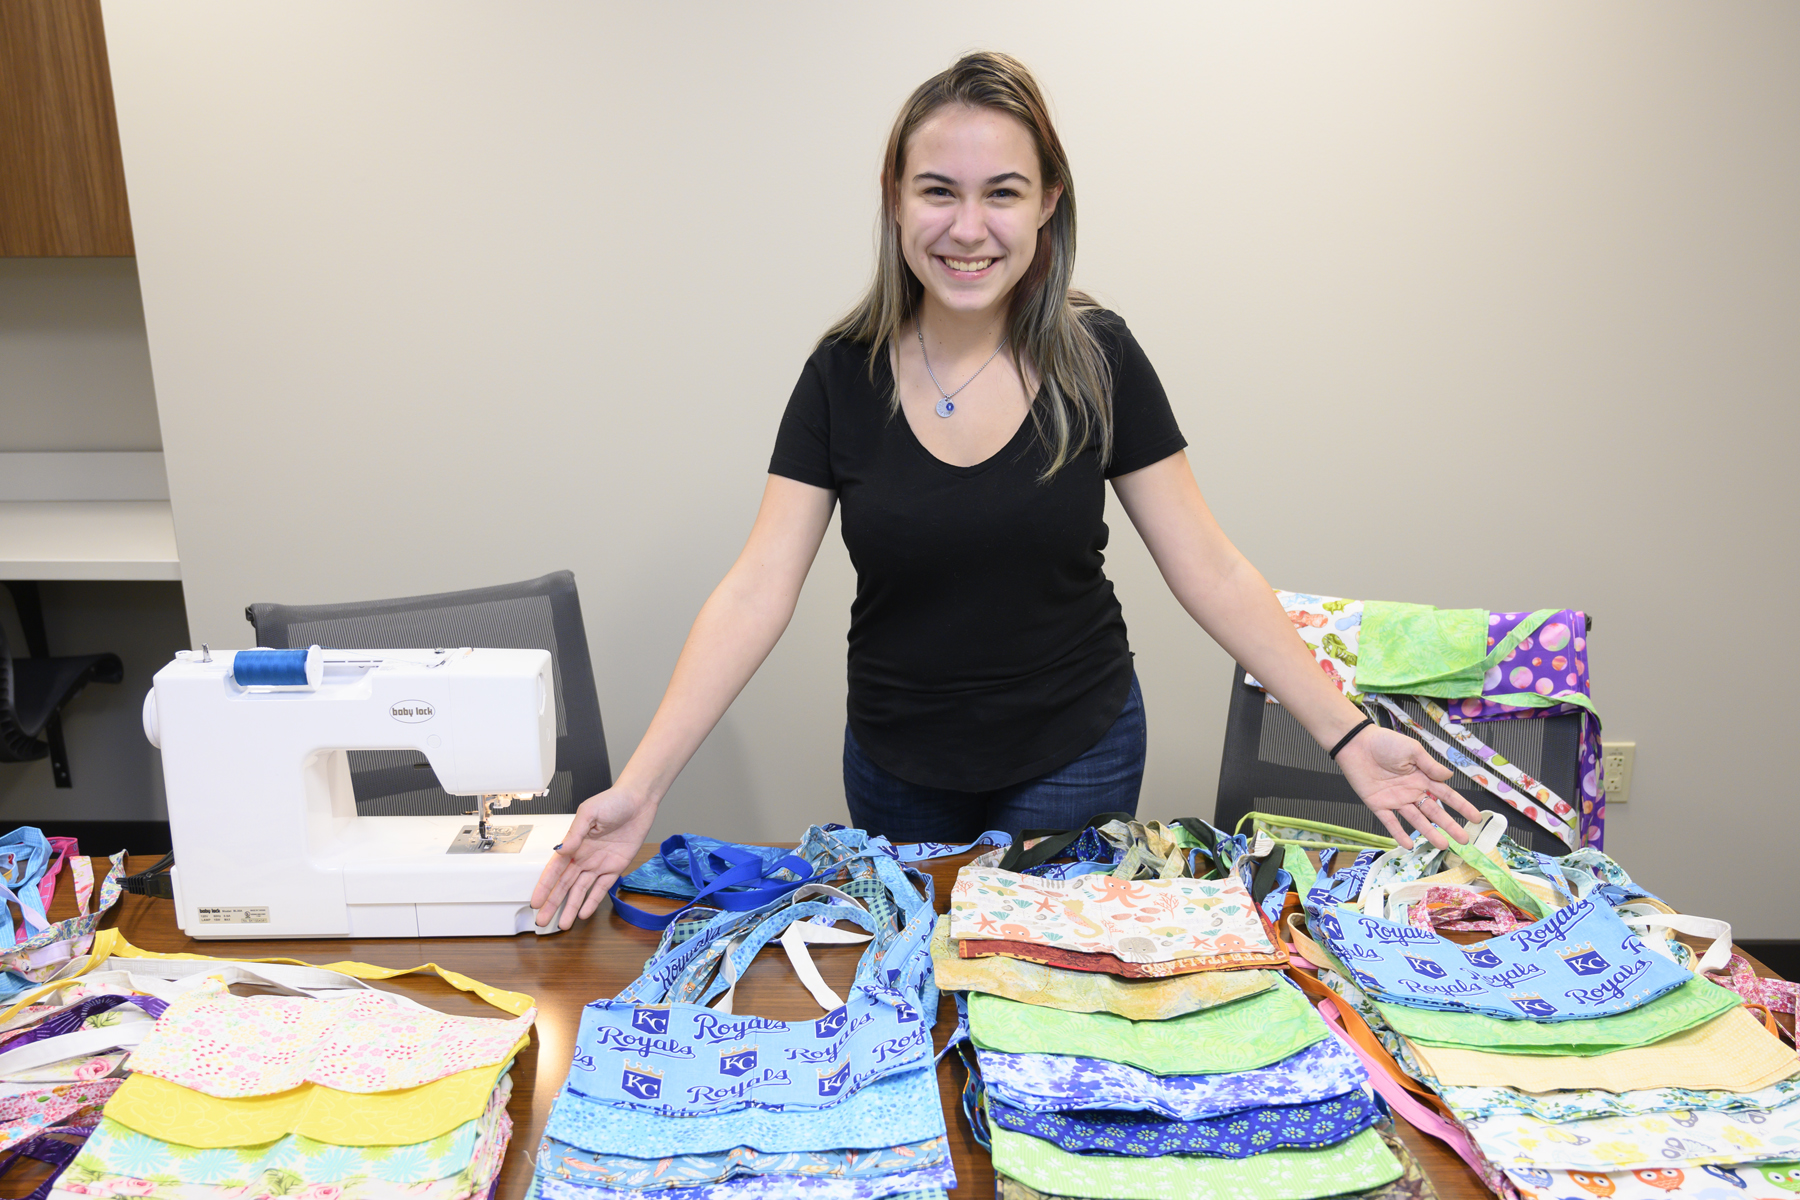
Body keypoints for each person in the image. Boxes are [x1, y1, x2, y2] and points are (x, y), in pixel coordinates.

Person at [533, 51, 1481, 930]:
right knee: (922, 990)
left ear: (1047, 205)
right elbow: (756, 589)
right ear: (895, 200)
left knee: (1049, 998)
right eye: (938, 191)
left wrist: (1348, 735)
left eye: (1004, 194)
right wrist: (644, 788)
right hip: (897, 765)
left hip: (1076, 750)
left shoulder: (1098, 356)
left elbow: (1209, 568)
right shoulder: (842, 373)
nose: (968, 228)